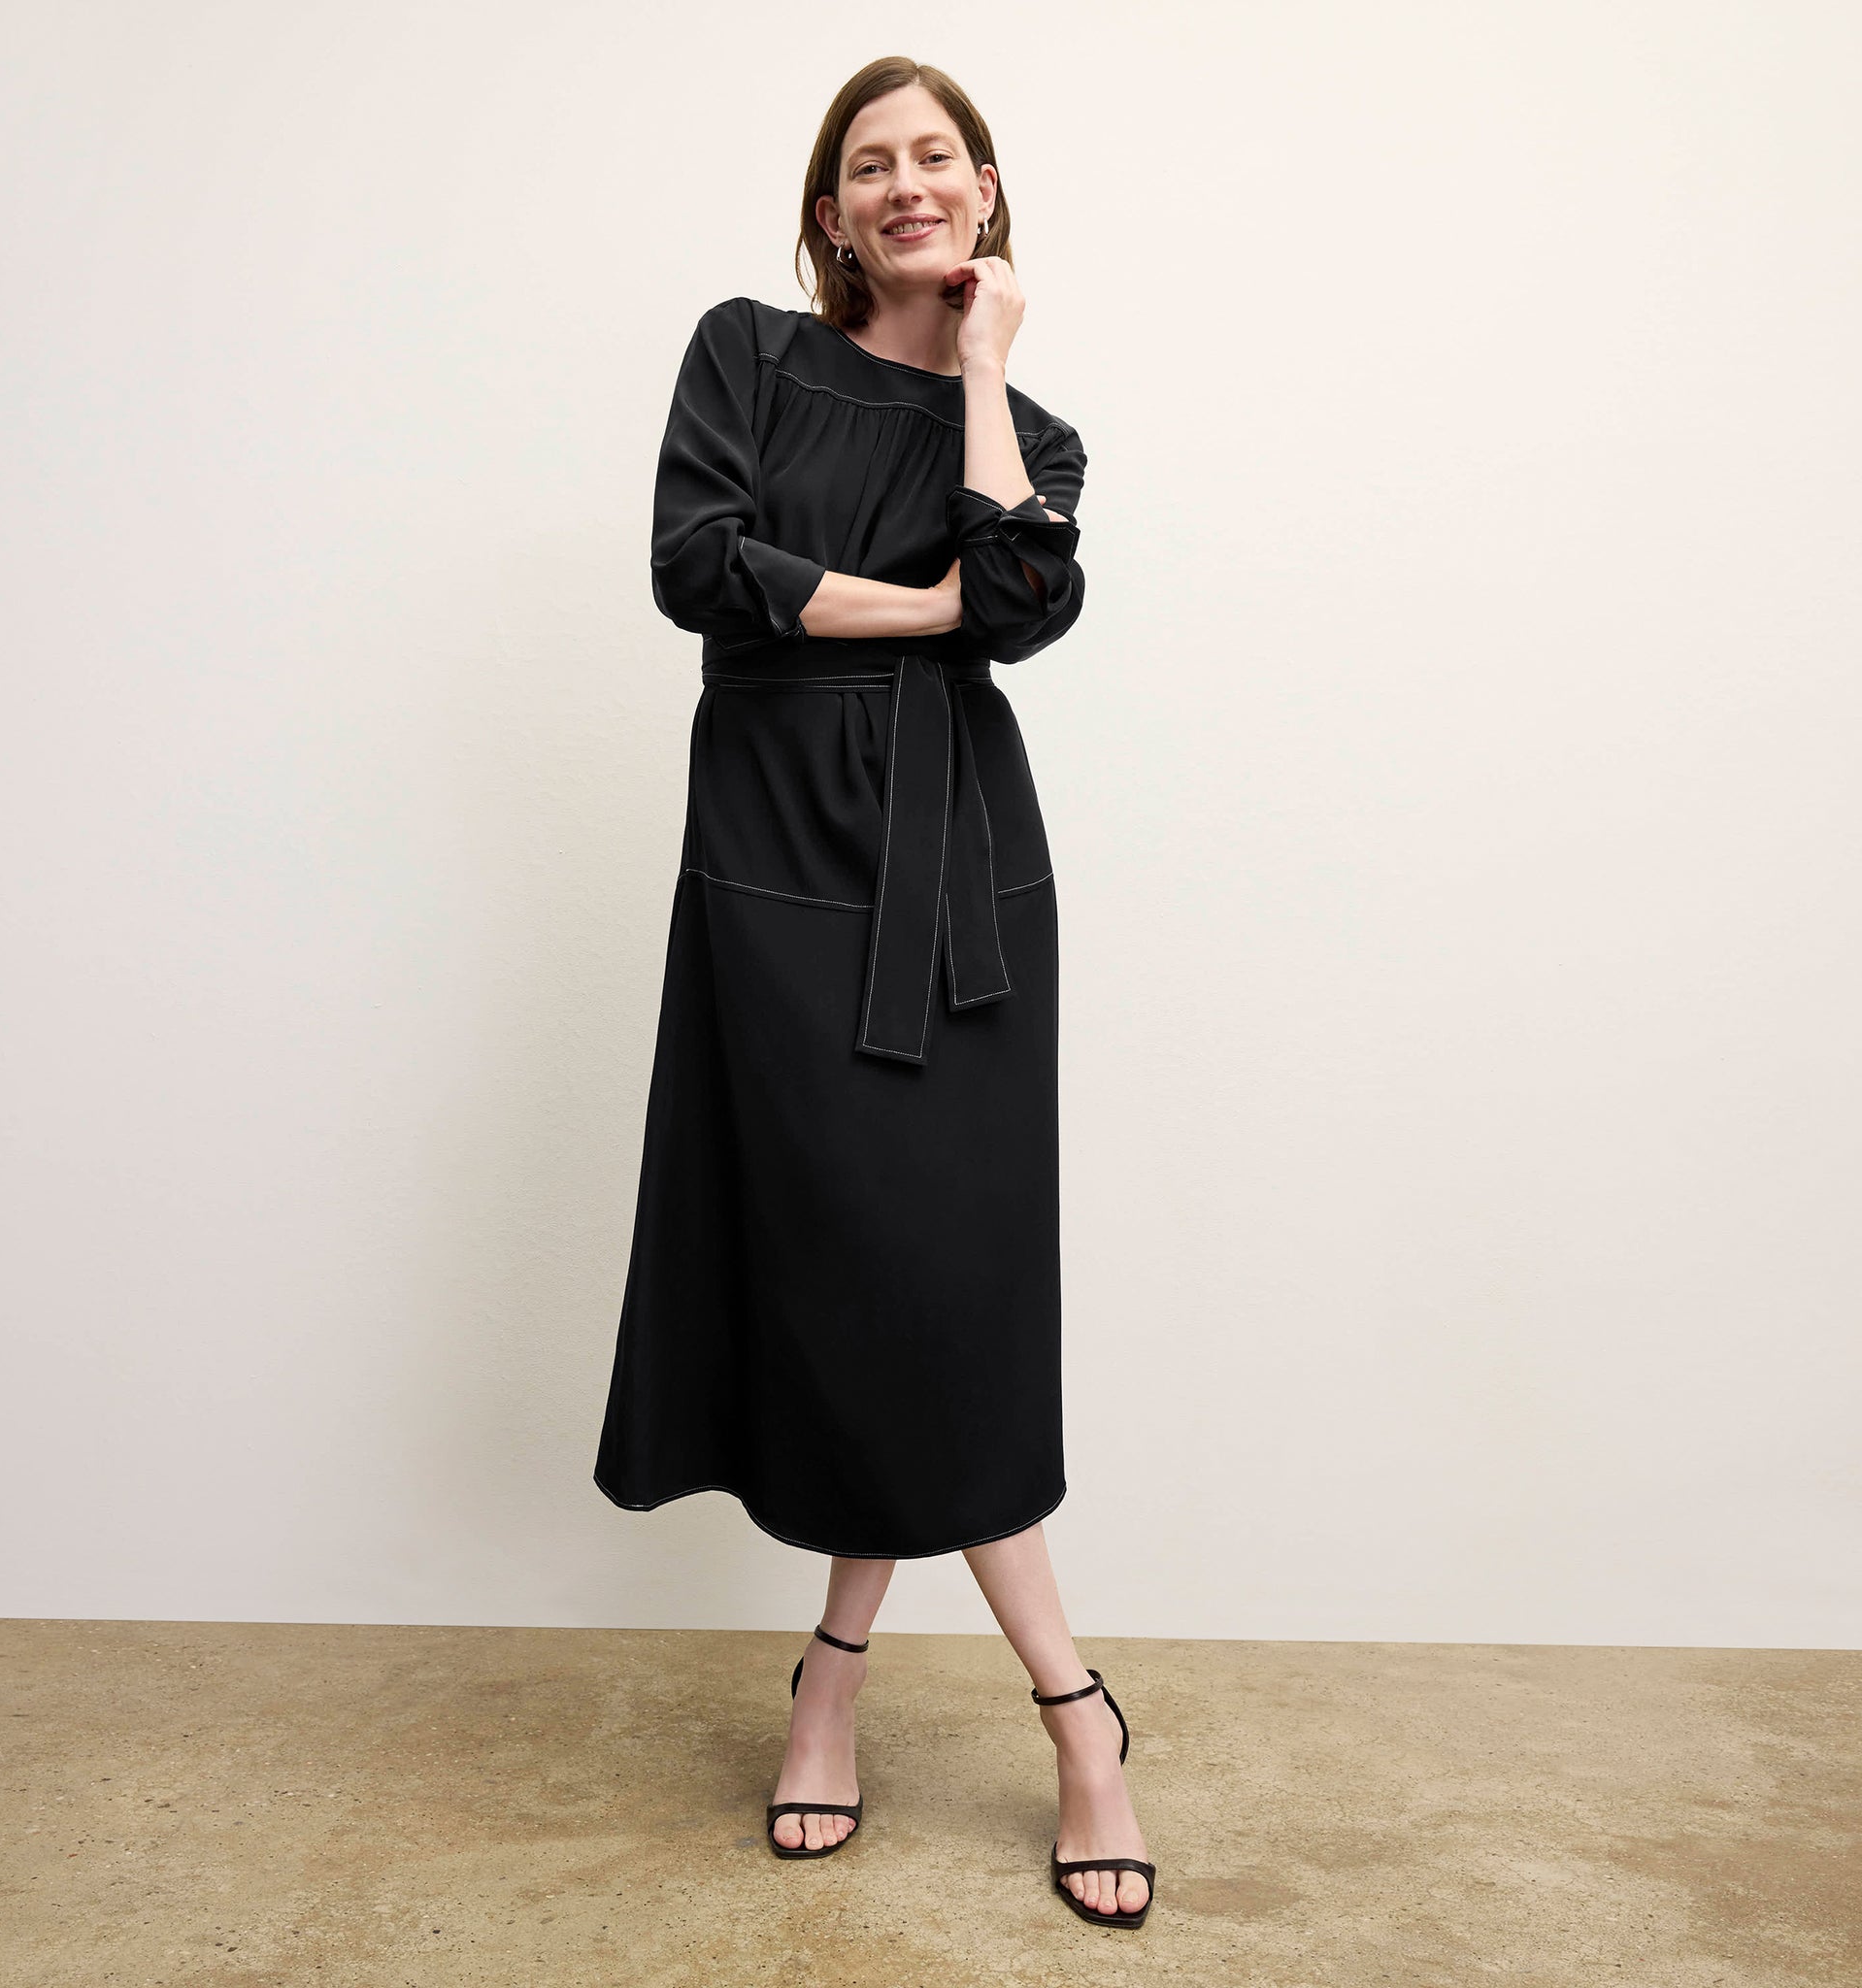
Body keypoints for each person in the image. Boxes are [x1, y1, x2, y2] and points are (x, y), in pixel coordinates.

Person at [592, 56, 1155, 1928]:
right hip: (773, 868)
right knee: (847, 1278)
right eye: (870, 164)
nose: (906, 184)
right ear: (829, 211)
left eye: (938, 158)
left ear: (984, 191)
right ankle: (1049, 1707)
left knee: (940, 1286)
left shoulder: (1034, 430)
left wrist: (981, 366)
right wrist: (929, 609)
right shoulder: (748, 353)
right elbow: (697, 566)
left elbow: (1030, 600)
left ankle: (910, 1693)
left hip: (959, 877)